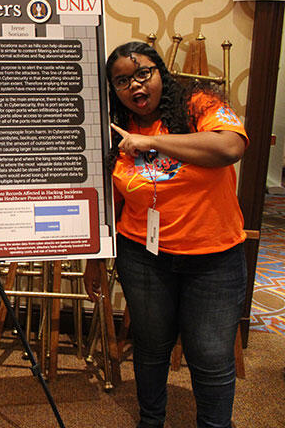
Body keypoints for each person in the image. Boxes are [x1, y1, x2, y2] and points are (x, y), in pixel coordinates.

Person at [84, 41, 248, 428]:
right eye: (123, 81)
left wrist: (152, 141)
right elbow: (112, 204)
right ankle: (150, 420)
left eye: (144, 74)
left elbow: (230, 146)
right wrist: (95, 260)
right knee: (151, 347)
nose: (136, 87)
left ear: (162, 73)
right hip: (143, 256)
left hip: (214, 258)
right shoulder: (113, 128)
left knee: (209, 354)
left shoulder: (198, 106)